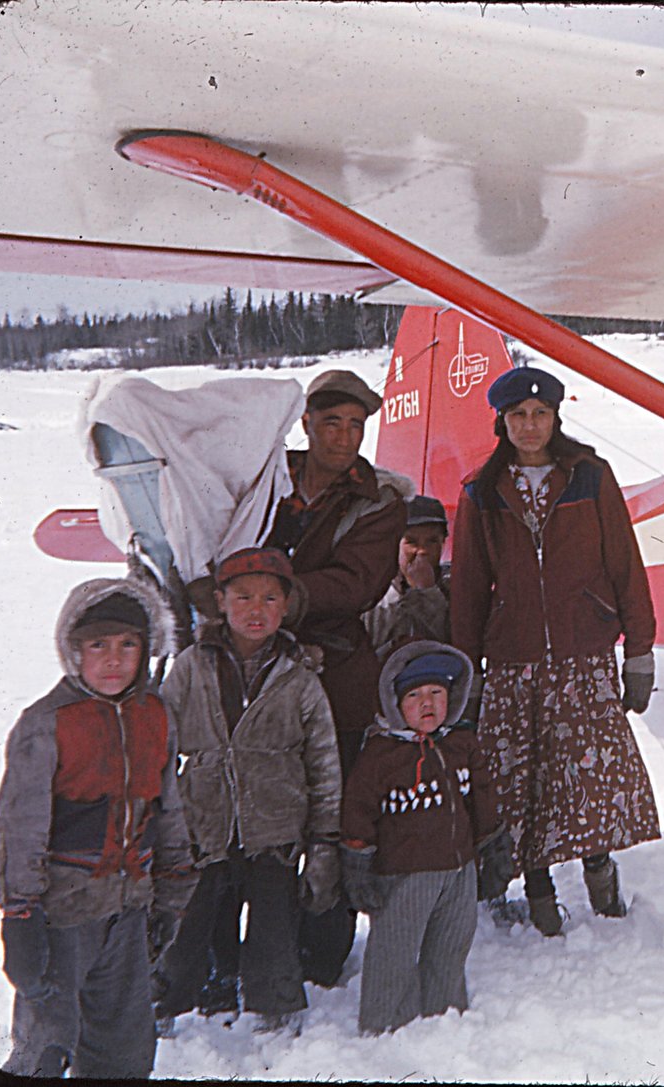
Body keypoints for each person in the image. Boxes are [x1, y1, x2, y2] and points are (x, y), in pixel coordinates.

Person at [449, 366, 659, 936]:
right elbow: (468, 590)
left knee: (588, 778)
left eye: (540, 414)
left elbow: (625, 564)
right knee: (526, 781)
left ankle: (600, 875)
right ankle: (539, 890)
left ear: (556, 417)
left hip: (583, 655)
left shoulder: (591, 476)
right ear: (502, 421)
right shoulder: (481, 491)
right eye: (518, 416)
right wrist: (464, 680)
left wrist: (638, 650)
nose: (530, 425)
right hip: (515, 663)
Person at [0, 577, 195, 1078]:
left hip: (130, 908)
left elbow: (169, 809)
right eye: (98, 645)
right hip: (63, 914)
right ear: (73, 651)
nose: (114, 659)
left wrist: (174, 890)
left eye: (128, 645)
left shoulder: (156, 715)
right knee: (47, 1043)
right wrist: (21, 914)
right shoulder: (47, 722)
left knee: (124, 1046)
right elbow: (20, 826)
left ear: (147, 650)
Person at [152, 547, 342, 1036]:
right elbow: (160, 745)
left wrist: (323, 840)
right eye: (243, 597)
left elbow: (322, 760)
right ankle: (164, 1006)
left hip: (275, 826)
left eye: (269, 598)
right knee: (188, 923)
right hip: (204, 822)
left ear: (286, 606)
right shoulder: (191, 666)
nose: (256, 610)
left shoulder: (300, 678)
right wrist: (161, 822)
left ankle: (276, 1008)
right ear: (220, 602)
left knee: (274, 925)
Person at [262, 368, 412, 987]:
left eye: (356, 425)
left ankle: (323, 950)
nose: (345, 437)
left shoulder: (380, 500)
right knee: (264, 807)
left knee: (338, 808)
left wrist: (270, 598)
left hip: (337, 669)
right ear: (307, 423)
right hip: (260, 667)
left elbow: (357, 582)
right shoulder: (268, 478)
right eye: (333, 422)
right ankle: (256, 949)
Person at [340, 641, 501, 1034]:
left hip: (458, 870)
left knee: (451, 944)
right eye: (414, 695)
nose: (427, 703)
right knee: (394, 948)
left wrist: (494, 846)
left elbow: (483, 798)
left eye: (436, 693)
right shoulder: (380, 755)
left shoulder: (462, 744)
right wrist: (357, 861)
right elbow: (357, 812)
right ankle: (386, 1022)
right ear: (395, 702)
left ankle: (444, 1013)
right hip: (403, 874)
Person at [363, 495, 452, 655]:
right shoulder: (373, 589)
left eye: (432, 541)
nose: (422, 551)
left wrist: (426, 591)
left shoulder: (453, 586)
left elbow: (450, 638)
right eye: (412, 542)